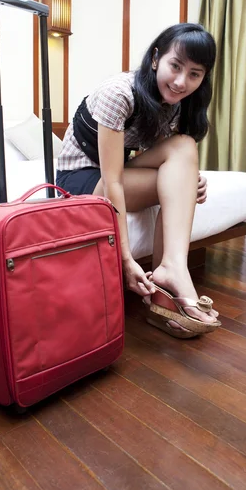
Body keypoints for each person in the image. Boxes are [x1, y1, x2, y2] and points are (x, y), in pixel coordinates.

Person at [56, 23, 221, 338]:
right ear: (157, 58)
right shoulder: (118, 92)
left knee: (185, 147)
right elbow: (113, 181)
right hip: (81, 178)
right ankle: (169, 288)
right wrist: (126, 259)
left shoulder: (180, 103)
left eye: (194, 74)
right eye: (175, 66)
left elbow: (168, 159)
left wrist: (188, 179)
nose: (181, 81)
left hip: (121, 167)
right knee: (178, 176)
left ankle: (171, 271)